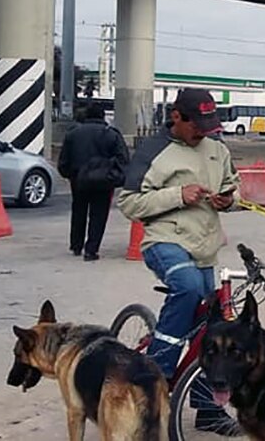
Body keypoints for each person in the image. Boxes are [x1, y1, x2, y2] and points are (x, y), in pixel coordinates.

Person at [118, 88, 241, 434]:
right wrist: (178, 195)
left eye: (208, 123)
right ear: (176, 117)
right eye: (196, 124)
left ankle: (209, 410)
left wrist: (228, 200)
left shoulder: (218, 149)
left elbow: (236, 187)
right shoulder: (153, 152)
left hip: (205, 246)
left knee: (213, 328)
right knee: (186, 288)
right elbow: (128, 203)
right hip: (165, 241)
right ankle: (156, 375)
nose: (202, 131)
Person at [57, 103, 129, 261]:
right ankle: (91, 250)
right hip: (103, 180)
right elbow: (123, 159)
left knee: (79, 211)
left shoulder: (73, 133)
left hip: (78, 179)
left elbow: (63, 161)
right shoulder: (112, 134)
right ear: (103, 116)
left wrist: (70, 175)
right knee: (99, 214)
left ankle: (76, 245)